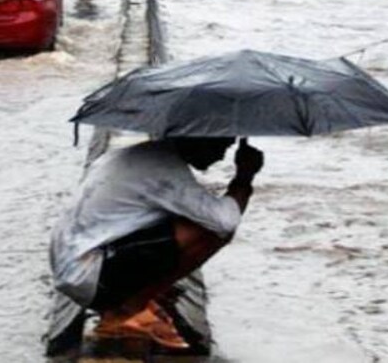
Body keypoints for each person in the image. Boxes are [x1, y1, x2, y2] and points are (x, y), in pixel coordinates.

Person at [50, 137, 264, 349]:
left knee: (190, 216)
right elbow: (225, 222)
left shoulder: (142, 155)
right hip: (89, 277)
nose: (220, 156)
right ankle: (127, 311)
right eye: (220, 146)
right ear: (197, 139)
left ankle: (132, 303)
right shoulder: (165, 169)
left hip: (75, 266)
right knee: (209, 231)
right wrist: (244, 178)